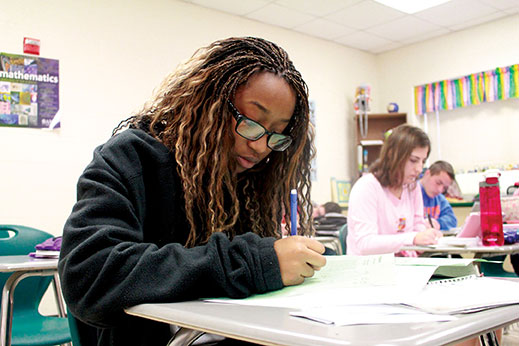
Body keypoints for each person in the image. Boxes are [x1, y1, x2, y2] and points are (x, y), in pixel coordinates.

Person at [58, 37, 327, 346]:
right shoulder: (130, 159)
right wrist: (254, 264)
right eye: (252, 123)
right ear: (209, 102)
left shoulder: (254, 178)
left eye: (277, 136)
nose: (261, 146)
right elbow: (90, 276)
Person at [346, 124, 443, 256]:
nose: (419, 169)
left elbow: (418, 230)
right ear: (392, 155)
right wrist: (412, 239)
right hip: (369, 271)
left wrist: (427, 238)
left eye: (423, 161)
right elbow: (365, 244)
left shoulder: (412, 187)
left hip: (405, 268)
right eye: (413, 160)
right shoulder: (367, 187)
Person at [419, 160, 458, 230]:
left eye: (444, 188)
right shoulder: (410, 193)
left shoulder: (439, 198)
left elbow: (452, 220)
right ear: (427, 173)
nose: (440, 190)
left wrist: (437, 223)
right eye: (438, 183)